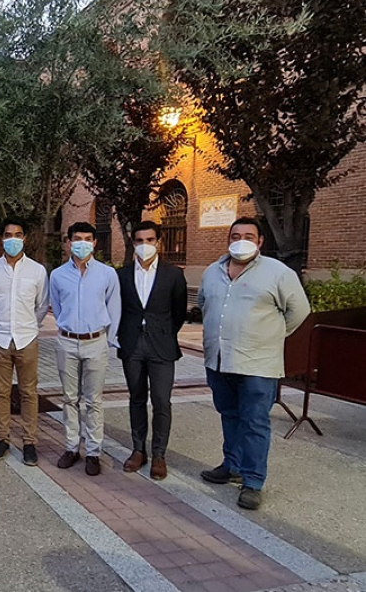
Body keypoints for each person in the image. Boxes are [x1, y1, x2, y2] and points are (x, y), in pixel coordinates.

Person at [198, 217, 310, 510]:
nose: (241, 239)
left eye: (249, 235)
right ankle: (231, 465)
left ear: (260, 241)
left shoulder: (278, 273)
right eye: (236, 235)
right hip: (219, 362)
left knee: (255, 422)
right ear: (228, 238)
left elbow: (299, 311)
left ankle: (253, 481)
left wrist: (272, 336)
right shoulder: (213, 272)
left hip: (258, 366)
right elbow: (203, 304)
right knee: (229, 415)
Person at [116, 221, 187, 480]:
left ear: (158, 242)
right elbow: (119, 309)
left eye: (149, 240)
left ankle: (159, 454)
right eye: (139, 240)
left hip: (161, 345)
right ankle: (138, 449)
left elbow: (178, 312)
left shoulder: (173, 275)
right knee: (136, 398)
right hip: (132, 344)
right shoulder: (122, 275)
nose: (144, 245)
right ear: (133, 243)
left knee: (161, 401)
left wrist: (164, 333)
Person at [49, 222, 121, 476]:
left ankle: (93, 451)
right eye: (77, 238)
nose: (82, 243)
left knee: (94, 401)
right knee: (69, 398)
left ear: (95, 242)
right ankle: (71, 447)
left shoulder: (107, 274)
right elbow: (57, 308)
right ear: (68, 241)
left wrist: (107, 340)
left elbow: (114, 309)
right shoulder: (57, 275)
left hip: (95, 342)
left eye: (88, 238)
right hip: (67, 340)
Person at [0, 219, 49, 466]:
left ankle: (29, 442)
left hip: (27, 339)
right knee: (1, 392)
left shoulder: (37, 271)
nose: (13, 239)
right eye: (8, 235)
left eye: (18, 235)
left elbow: (41, 306)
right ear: (2, 239)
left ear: (25, 238)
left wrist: (29, 325)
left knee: (29, 392)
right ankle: (2, 439)